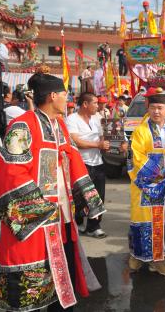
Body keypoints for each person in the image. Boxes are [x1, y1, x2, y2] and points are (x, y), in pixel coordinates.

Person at [0, 72, 105, 311]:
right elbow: (10, 172)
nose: (68, 100)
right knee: (33, 282)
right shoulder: (23, 125)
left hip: (62, 219)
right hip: (36, 221)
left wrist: (89, 199)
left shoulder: (60, 126)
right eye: (65, 95)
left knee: (64, 278)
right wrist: (41, 209)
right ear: (53, 96)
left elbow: (73, 160)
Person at [127, 87, 165, 277]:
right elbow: (136, 158)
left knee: (162, 223)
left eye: (160, 108)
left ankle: (158, 260)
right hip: (145, 187)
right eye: (153, 107)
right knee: (144, 222)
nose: (156, 111)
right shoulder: (140, 132)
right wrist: (157, 175)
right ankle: (138, 255)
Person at [66, 92, 111, 238]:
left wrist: (110, 142)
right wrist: (98, 144)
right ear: (85, 104)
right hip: (80, 164)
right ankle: (77, 221)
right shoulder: (72, 119)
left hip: (97, 162)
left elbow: (103, 137)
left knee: (98, 196)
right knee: (80, 197)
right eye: (95, 103)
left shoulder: (97, 119)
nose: (98, 106)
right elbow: (76, 141)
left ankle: (93, 226)